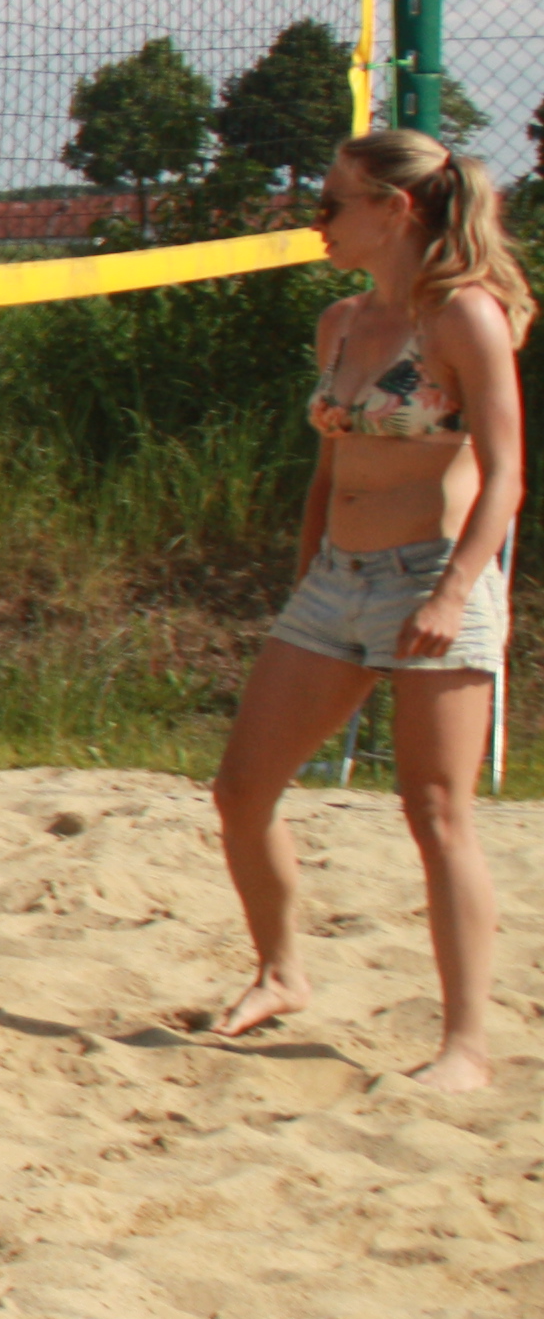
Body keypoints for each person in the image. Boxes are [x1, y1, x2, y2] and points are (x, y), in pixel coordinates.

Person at [204, 126, 529, 1090]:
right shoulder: (342, 321)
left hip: (433, 575)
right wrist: (308, 571)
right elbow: (330, 462)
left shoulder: (465, 318)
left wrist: (456, 589)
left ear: (395, 210)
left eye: (333, 204)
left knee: (435, 811)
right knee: (240, 792)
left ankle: (465, 1047)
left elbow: (507, 475)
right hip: (339, 580)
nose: (316, 221)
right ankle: (280, 972)